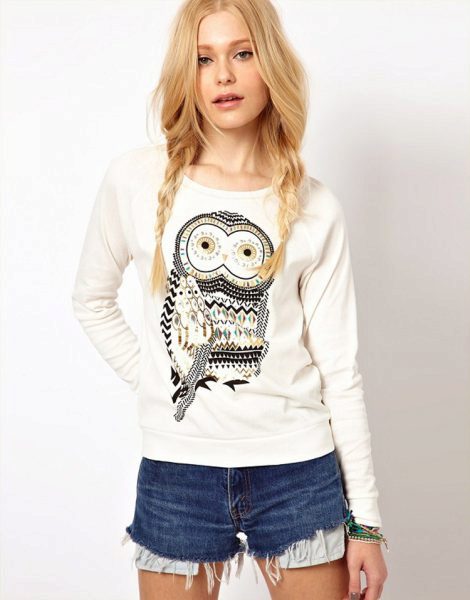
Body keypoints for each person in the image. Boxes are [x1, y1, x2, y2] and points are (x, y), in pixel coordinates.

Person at [71, 1, 389, 599]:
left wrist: (366, 522)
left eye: (242, 53)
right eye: (203, 59)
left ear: (270, 64)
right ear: (185, 73)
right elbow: (92, 299)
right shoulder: (135, 180)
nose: (223, 75)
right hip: (177, 474)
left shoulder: (316, 207)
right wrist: (154, 376)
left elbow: (340, 371)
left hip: (299, 473)